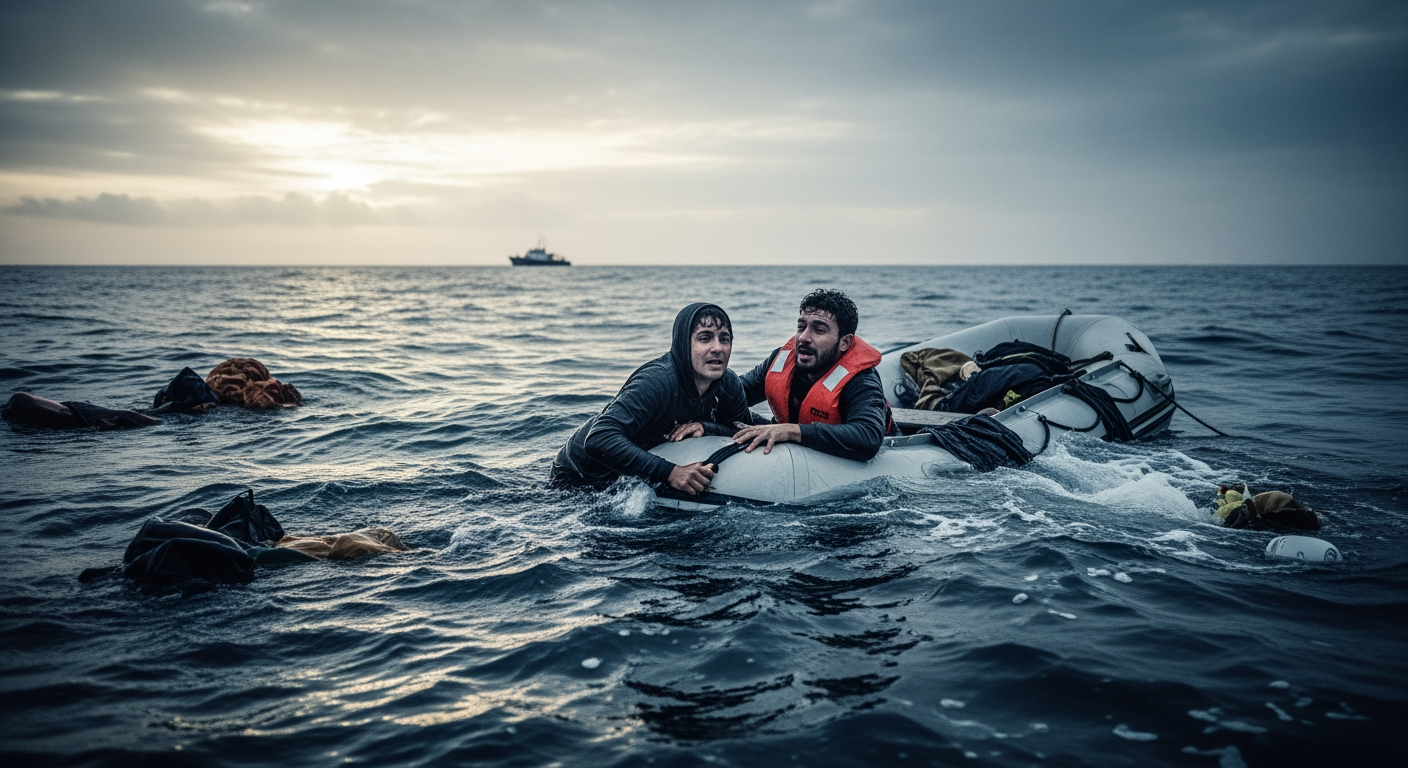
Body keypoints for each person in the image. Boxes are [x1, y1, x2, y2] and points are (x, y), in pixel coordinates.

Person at [549, 302, 752, 495]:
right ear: (684, 343)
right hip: (580, 476)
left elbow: (743, 429)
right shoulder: (658, 380)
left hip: (637, 471)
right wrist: (671, 473)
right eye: (705, 338)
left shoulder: (728, 383)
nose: (717, 348)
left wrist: (707, 427)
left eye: (724, 339)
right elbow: (599, 438)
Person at [732, 289, 892, 462]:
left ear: (844, 342)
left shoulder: (861, 379)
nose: (803, 338)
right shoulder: (782, 360)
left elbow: (868, 436)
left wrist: (791, 431)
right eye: (801, 327)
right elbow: (735, 393)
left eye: (819, 330)